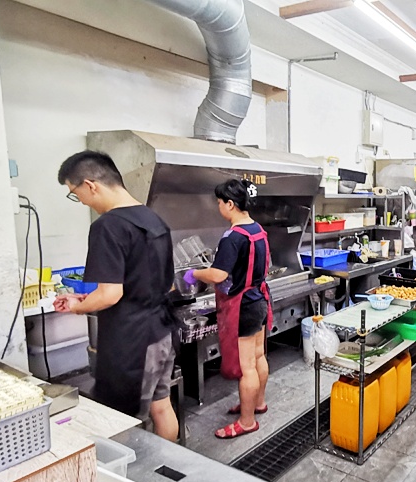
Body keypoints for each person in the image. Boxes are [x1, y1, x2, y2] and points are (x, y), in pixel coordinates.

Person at [54, 151, 178, 441]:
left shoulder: (108, 226)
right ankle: (166, 470)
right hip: (162, 332)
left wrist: (77, 307)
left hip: (132, 342)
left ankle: (134, 479)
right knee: (161, 407)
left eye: (76, 193)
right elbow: (166, 283)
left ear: (91, 185)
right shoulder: (153, 219)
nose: (81, 201)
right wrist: (83, 300)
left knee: (123, 422)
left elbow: (110, 294)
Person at [185, 179, 272, 439]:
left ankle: (247, 422)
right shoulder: (257, 229)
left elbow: (218, 273)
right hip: (259, 299)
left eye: (220, 203)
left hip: (243, 305)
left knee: (247, 367)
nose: (218, 207)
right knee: (258, 357)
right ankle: (257, 403)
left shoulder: (233, 237)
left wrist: (194, 274)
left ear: (230, 204)